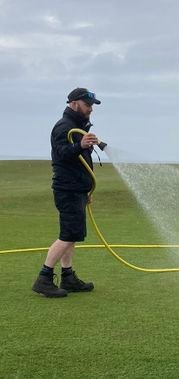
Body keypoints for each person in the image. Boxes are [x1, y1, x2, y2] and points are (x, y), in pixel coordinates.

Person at [32, 88, 102, 297]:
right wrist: (80, 145)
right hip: (67, 189)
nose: (90, 109)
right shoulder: (64, 127)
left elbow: (81, 161)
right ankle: (44, 278)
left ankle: (68, 277)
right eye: (87, 105)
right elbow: (61, 155)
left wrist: (86, 188)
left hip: (77, 188)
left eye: (91, 106)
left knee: (72, 235)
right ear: (74, 104)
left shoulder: (78, 127)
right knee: (68, 235)